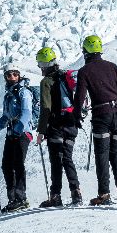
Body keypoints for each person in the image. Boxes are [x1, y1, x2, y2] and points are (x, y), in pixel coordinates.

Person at [73, 34, 117, 205]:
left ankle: (104, 194)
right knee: (116, 153)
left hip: (101, 115)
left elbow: (80, 98)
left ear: (86, 52)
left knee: (102, 155)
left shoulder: (85, 71)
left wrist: (77, 117)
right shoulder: (112, 66)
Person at [0, 64, 34, 212]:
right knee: (7, 166)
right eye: (9, 75)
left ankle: (21, 198)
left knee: (18, 165)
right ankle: (13, 199)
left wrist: (18, 128)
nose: (12, 77)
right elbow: (5, 118)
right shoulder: (8, 95)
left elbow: (27, 113)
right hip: (12, 134)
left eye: (15, 74)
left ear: (19, 75)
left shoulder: (24, 92)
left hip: (22, 134)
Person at [35, 47, 83, 207]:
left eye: (40, 63)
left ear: (44, 64)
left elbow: (46, 108)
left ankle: (56, 196)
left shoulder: (46, 82)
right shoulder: (65, 76)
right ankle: (76, 192)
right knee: (67, 158)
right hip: (71, 123)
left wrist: (41, 131)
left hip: (56, 125)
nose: (40, 67)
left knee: (56, 160)